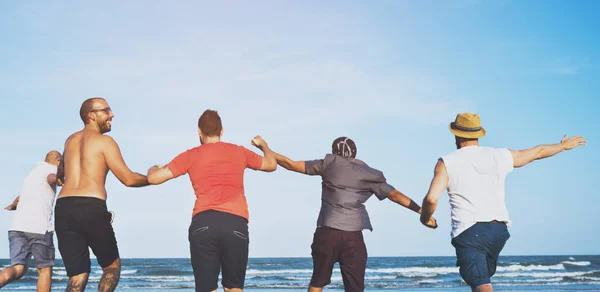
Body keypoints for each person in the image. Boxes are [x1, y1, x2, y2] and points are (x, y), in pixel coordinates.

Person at [419, 112, 586, 292]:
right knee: (480, 280)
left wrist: (425, 218)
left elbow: (431, 198)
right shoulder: (499, 155)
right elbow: (537, 152)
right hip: (499, 231)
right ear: (477, 134)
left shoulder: (447, 162)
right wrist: (562, 146)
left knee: (482, 285)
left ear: (456, 134)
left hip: (470, 231)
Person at [271, 137, 438, 292]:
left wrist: (265, 149)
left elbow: (289, 164)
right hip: (353, 237)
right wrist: (422, 211)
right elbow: (395, 196)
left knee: (317, 282)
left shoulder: (328, 164)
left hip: (327, 233)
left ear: (334, 152)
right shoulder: (369, 174)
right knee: (355, 289)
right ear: (355, 153)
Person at [146, 109, 277, 292]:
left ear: (199, 132)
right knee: (234, 288)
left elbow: (154, 178)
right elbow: (271, 164)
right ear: (222, 131)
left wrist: (153, 168)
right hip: (235, 223)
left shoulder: (190, 155)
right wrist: (263, 145)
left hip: (203, 224)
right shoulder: (239, 152)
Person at [54, 97, 150, 292]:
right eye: (106, 110)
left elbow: (59, 174)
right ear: (91, 115)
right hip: (91, 207)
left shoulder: (70, 140)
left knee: (77, 275)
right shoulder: (104, 142)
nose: (111, 114)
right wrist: (152, 178)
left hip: (63, 208)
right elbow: (128, 179)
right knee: (111, 268)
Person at [0, 151, 62, 292]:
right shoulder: (51, 170)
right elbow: (51, 178)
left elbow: (19, 198)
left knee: (18, 268)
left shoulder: (33, 173)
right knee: (44, 270)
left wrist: (13, 206)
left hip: (17, 228)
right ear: (58, 161)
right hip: (38, 228)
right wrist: (59, 180)